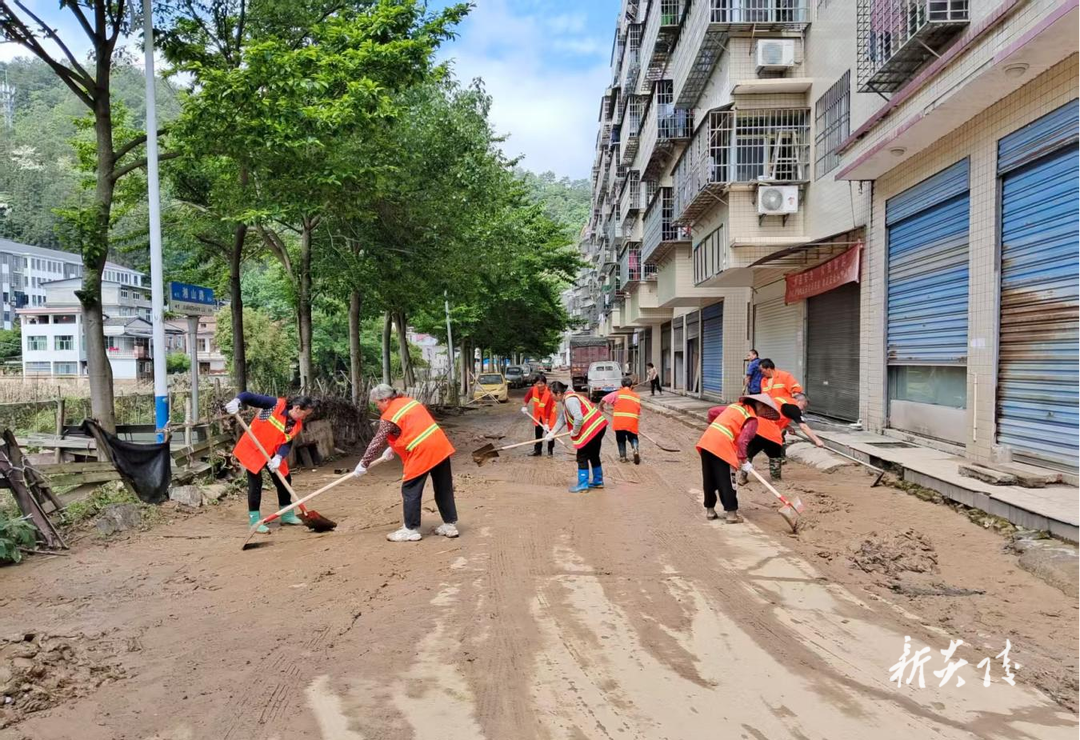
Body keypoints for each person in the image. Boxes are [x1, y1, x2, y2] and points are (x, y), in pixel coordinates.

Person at [354, 384, 458, 542]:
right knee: (443, 487)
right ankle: (450, 525)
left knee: (410, 489)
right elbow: (412, 428)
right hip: (440, 446)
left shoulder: (390, 415)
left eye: (377, 403)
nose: (377, 407)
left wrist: (363, 464)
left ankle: (410, 529)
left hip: (421, 452)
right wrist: (392, 448)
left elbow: (377, 441)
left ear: (385, 399)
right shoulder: (410, 402)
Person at [226, 393, 317, 533]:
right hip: (254, 449)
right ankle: (255, 521)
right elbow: (248, 396)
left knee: (285, 480)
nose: (304, 418)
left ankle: (286, 514)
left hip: (273, 452)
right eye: (305, 414)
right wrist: (236, 401)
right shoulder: (275, 404)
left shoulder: (296, 424)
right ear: (297, 408)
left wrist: (279, 457)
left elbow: (287, 442)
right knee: (256, 484)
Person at [696, 394, 780, 524]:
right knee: (727, 481)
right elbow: (742, 441)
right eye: (765, 409)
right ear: (759, 405)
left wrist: (714, 425)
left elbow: (712, 412)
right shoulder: (751, 419)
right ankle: (731, 514)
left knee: (709, 478)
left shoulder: (734, 407)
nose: (764, 413)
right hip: (722, 446)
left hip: (707, 441)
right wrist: (744, 460)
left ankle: (710, 511)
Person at [743, 392, 825, 483]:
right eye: (803, 406)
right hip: (770, 433)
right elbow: (803, 427)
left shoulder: (781, 400)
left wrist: (787, 426)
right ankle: (776, 480)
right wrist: (817, 440)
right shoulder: (793, 408)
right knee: (775, 456)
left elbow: (775, 414)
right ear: (799, 401)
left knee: (748, 455)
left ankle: (742, 477)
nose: (802, 409)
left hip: (755, 428)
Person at [547, 381, 608, 492]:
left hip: (592, 429)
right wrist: (552, 432)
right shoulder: (568, 398)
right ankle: (598, 481)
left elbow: (578, 418)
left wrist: (575, 431)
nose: (551, 397)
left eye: (551, 394)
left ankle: (583, 484)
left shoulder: (570, 400)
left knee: (582, 456)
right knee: (594, 455)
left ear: (559, 393)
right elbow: (563, 418)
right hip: (599, 427)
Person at [600, 376, 641, 464]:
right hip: (632, 421)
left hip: (619, 422)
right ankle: (635, 448)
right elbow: (638, 411)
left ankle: (623, 457)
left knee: (621, 439)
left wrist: (601, 407)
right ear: (631, 386)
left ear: (621, 385)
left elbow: (603, 399)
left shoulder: (616, 394)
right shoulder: (636, 396)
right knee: (633, 437)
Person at [522, 374, 557, 457]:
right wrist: (524, 406)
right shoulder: (533, 389)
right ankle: (537, 450)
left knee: (550, 434)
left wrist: (547, 423)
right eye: (537, 383)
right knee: (538, 433)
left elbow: (548, 409)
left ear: (545, 384)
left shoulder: (549, 393)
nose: (539, 385)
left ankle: (550, 451)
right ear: (535, 384)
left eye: (541, 383)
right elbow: (527, 398)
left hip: (549, 415)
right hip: (538, 415)